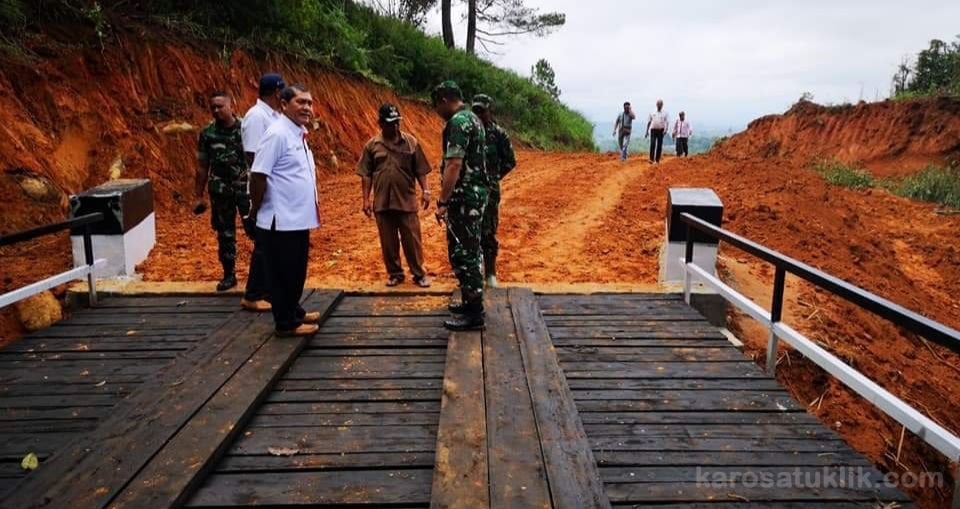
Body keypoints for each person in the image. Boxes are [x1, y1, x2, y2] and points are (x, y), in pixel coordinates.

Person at [249, 84, 323, 337]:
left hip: (297, 218)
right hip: (280, 219)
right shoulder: (278, 134)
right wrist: (255, 208)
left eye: (309, 103)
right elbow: (258, 175)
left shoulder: (297, 133)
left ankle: (294, 311)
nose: (307, 108)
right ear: (283, 104)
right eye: (300, 102)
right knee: (283, 272)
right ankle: (286, 322)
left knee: (295, 269)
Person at [193, 91, 267, 312]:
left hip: (245, 188)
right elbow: (201, 166)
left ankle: (262, 279)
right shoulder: (207, 134)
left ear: (230, 105)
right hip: (220, 190)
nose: (216, 110)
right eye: (212, 107)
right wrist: (198, 195)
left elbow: (257, 158)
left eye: (220, 106)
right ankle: (229, 275)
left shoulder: (245, 128)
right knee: (225, 233)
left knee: (256, 231)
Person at [431, 81, 489, 331]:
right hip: (474, 195)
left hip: (464, 198)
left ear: (444, 99)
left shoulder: (458, 123)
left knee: (465, 253)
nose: (436, 111)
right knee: (469, 250)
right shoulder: (473, 119)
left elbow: (454, 164)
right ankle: (469, 302)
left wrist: (443, 201)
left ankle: (474, 313)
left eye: (436, 105)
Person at [357, 103, 433, 288]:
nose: (396, 126)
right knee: (388, 242)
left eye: (397, 122)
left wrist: (426, 190)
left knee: (412, 240)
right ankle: (395, 274)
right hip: (382, 203)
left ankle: (419, 274)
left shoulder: (411, 142)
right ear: (380, 123)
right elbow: (366, 174)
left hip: (406, 200)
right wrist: (366, 199)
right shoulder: (372, 146)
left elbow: (420, 169)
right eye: (391, 123)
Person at [472, 94, 516, 288]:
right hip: (470, 188)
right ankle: (473, 272)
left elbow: (510, 161)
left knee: (488, 229)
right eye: (476, 110)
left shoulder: (498, 134)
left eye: (482, 110)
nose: (479, 114)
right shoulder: (468, 131)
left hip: (489, 191)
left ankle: (490, 273)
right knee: (470, 230)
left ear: (490, 111)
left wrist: (494, 177)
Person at [645, 99, 669, 164]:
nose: (659, 105)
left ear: (662, 105)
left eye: (661, 104)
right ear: (656, 104)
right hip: (653, 130)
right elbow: (649, 122)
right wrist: (646, 131)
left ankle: (657, 160)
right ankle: (651, 159)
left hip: (661, 131)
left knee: (659, 145)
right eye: (658, 104)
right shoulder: (652, 112)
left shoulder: (665, 113)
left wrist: (666, 130)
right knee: (652, 144)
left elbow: (667, 122)